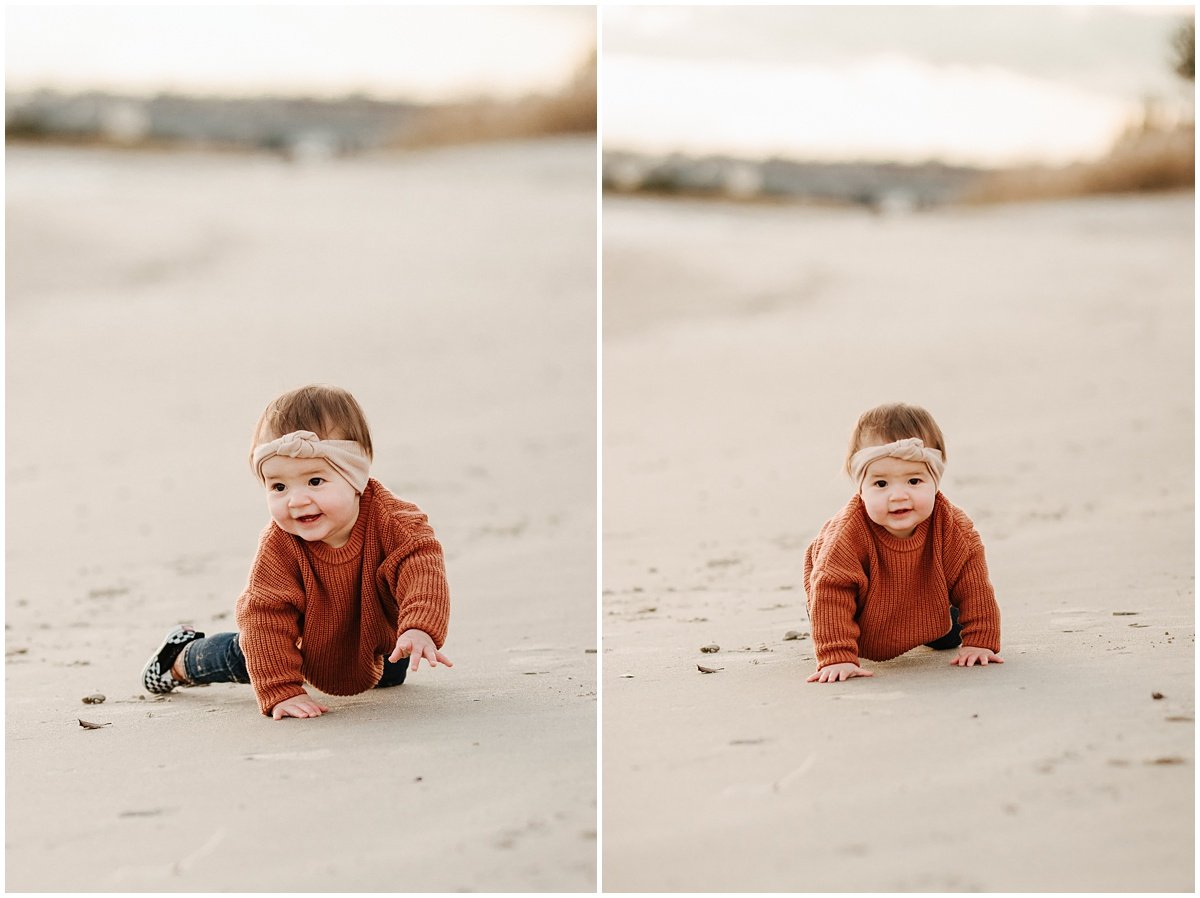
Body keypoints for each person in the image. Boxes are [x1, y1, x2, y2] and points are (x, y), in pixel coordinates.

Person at [141, 384, 452, 719]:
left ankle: (379, 654)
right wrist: (281, 691)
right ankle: (179, 658)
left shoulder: (395, 523)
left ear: (356, 474)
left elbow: (421, 568)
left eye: (315, 481)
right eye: (278, 486)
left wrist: (419, 626)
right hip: (295, 643)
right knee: (245, 655)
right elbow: (265, 616)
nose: (296, 500)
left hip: (372, 638)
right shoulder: (280, 545)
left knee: (390, 674)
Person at [803, 402, 1002, 684]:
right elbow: (831, 594)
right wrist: (838, 656)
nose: (898, 495)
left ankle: (931, 626)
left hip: (926, 601)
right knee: (832, 612)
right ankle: (839, 638)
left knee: (949, 636)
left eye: (913, 480)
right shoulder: (846, 538)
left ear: (935, 480)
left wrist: (981, 640)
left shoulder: (954, 528)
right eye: (881, 484)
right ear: (861, 486)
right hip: (861, 614)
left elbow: (975, 586)